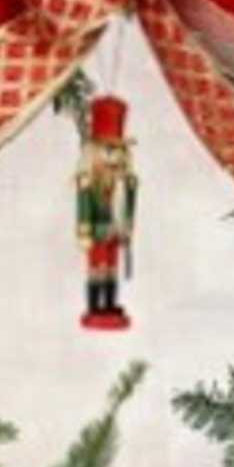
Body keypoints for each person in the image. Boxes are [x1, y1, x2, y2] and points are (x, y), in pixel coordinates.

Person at [75, 94, 137, 329]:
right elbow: (83, 204)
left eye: (116, 150)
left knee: (112, 269)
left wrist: (128, 227)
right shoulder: (89, 182)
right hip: (97, 231)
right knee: (96, 269)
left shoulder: (126, 182)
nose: (112, 157)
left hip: (116, 232)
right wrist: (83, 228)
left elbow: (129, 206)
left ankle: (110, 304)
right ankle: (94, 306)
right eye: (106, 150)